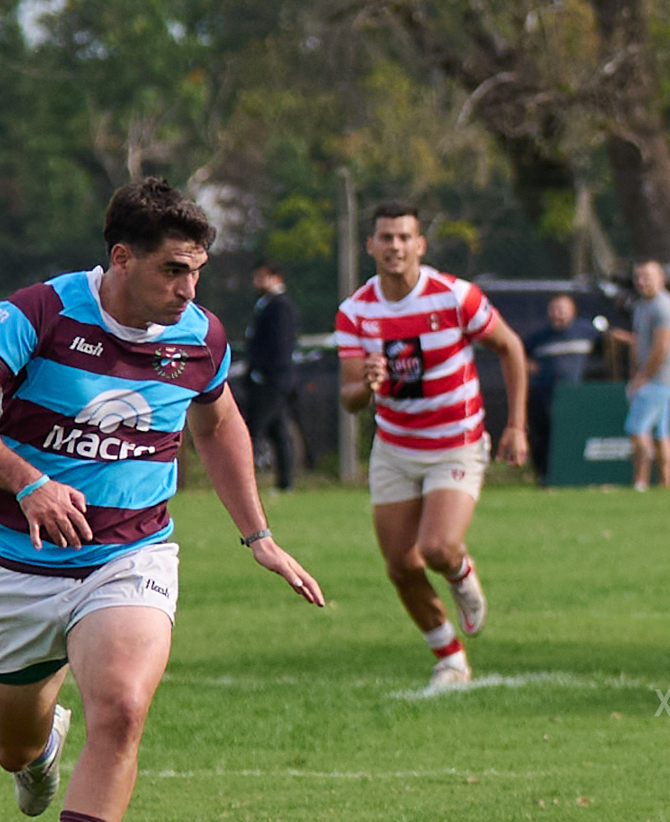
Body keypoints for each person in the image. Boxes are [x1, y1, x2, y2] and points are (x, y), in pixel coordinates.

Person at [0, 177, 324, 822]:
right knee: (13, 747)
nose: (190, 287)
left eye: (198, 270)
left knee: (123, 703)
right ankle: (39, 750)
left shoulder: (201, 335)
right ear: (121, 257)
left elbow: (219, 421)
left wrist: (260, 536)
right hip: (20, 570)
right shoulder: (39, 312)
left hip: (129, 554)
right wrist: (27, 480)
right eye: (174, 269)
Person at [335, 199, 529, 689]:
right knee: (401, 566)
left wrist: (517, 425)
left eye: (404, 237)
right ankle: (450, 659)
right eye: (386, 237)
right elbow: (350, 399)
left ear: (419, 244)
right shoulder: (355, 312)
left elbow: (510, 347)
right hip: (396, 448)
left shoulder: (453, 295)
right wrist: (369, 384)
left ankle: (462, 575)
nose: (395, 246)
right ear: (370, 246)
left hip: (456, 443)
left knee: (438, 548)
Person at [611, 259, 670, 490]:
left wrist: (644, 377)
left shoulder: (664, 307)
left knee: (636, 428)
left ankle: (640, 482)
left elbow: (662, 346)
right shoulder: (642, 305)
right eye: (639, 278)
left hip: (661, 380)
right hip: (653, 378)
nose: (642, 282)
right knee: (661, 432)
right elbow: (640, 342)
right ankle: (666, 485)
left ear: (660, 279)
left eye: (647, 277)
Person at [522, 293, 595, 483]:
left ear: (573, 312)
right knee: (543, 436)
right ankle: (544, 475)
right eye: (554, 309)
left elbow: (610, 343)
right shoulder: (539, 338)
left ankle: (574, 474)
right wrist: (527, 366)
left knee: (571, 437)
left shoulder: (585, 331)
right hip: (544, 394)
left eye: (562, 309)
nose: (558, 314)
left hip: (574, 397)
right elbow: (517, 354)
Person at [244, 260, 299, 491]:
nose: (257, 282)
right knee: (278, 430)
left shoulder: (280, 306)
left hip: (272, 381)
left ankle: (245, 483)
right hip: (270, 379)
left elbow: (279, 345)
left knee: (254, 430)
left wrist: (264, 373)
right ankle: (285, 483)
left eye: (262, 276)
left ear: (276, 278)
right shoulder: (265, 304)